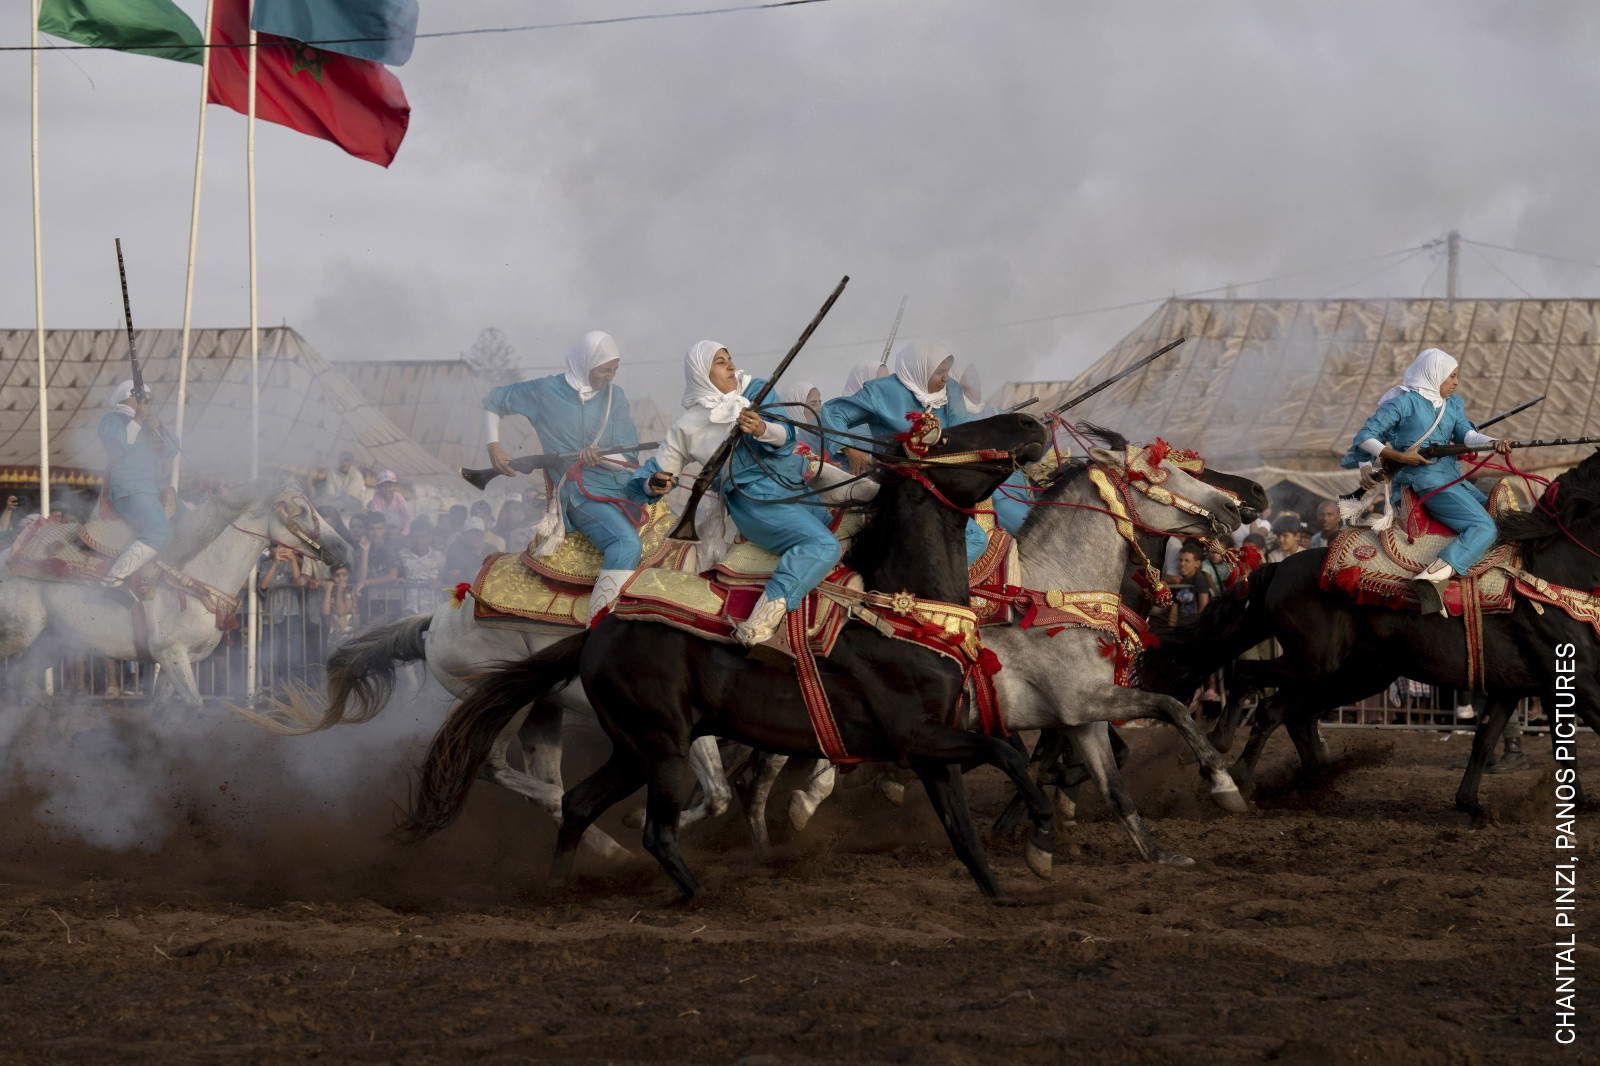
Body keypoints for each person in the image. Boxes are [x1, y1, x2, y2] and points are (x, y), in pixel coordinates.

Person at [634, 341, 838, 646]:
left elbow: (787, 436)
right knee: (823, 546)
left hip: (793, 483)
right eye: (720, 361)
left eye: (729, 359)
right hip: (754, 500)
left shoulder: (755, 390)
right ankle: (760, 623)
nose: (730, 366)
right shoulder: (686, 426)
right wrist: (655, 482)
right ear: (702, 372)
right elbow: (659, 471)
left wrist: (762, 429)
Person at [482, 330, 643, 621]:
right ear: (585, 363)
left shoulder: (615, 397)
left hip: (621, 488)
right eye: (604, 369)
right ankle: (599, 628)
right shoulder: (545, 391)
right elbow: (493, 400)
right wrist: (493, 445)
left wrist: (604, 458)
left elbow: (630, 457)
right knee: (626, 544)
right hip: (579, 493)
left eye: (615, 370)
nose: (610, 376)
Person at [1342, 348, 1512, 602]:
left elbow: (1467, 434)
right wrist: (1401, 458)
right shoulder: (1403, 402)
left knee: (1501, 515)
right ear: (1434, 375)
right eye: (1451, 376)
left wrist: (1493, 441)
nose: (1456, 382)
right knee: (1482, 526)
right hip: (1424, 481)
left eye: (1457, 376)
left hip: (1452, 477)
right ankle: (1432, 577)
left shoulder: (1453, 403)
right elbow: (1365, 437)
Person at [822, 341, 989, 564]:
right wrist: (848, 448)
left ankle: (928, 583)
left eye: (947, 371)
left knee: (977, 539)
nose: (946, 377)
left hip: (940, 483)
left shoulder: (951, 390)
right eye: (940, 372)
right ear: (921, 368)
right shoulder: (880, 392)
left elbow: (963, 429)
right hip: (896, 483)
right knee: (972, 537)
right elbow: (833, 413)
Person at [98, 380, 179, 595]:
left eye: (149, 400)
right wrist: (139, 419)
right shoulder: (113, 419)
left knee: (192, 522)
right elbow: (118, 444)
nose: (148, 403)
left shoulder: (148, 424)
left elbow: (171, 449)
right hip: (130, 488)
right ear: (127, 398)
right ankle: (112, 581)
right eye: (143, 399)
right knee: (159, 532)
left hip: (155, 490)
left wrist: (156, 425)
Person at [399, 525, 447, 614]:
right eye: (416, 537)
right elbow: (398, 575)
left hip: (432, 606)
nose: (419, 541)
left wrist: (440, 582)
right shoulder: (402, 555)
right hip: (410, 606)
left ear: (430, 538)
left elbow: (445, 577)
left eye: (423, 537)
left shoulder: (438, 556)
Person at [1167, 543, 1216, 627]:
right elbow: (1175, 604)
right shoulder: (1181, 578)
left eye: (1187, 561)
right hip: (1181, 625)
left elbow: (1203, 608)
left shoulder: (1200, 580)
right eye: (1180, 560)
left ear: (1197, 564)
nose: (1182, 563)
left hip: (1193, 626)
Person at [444, 517, 491, 587]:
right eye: (471, 533)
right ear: (464, 535)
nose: (474, 536)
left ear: (483, 534)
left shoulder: (492, 550)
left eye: (478, 533)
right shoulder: (456, 549)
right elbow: (452, 576)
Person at [367, 471, 412, 535]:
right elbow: (377, 518)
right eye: (383, 486)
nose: (387, 489)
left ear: (394, 486)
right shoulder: (377, 498)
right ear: (379, 488)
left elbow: (407, 517)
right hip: (383, 532)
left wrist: (404, 533)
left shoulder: (399, 497)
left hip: (399, 530)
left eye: (390, 486)